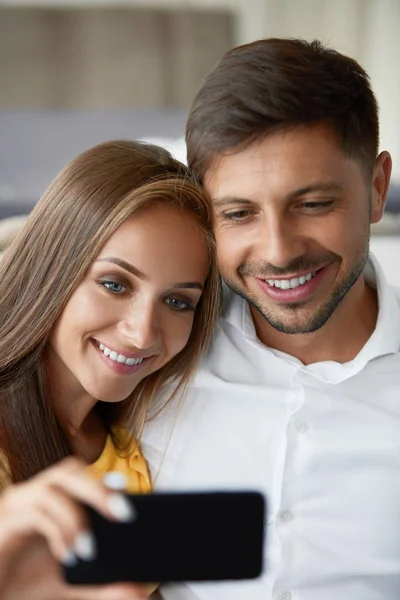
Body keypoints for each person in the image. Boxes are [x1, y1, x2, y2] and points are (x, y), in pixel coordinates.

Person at [141, 38, 400, 600]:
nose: (279, 251)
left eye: (312, 204)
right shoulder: (149, 349)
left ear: (377, 189)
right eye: (239, 214)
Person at [0, 140, 220, 599]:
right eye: (114, 284)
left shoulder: (130, 461)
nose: (142, 333)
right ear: (52, 268)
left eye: (178, 302)